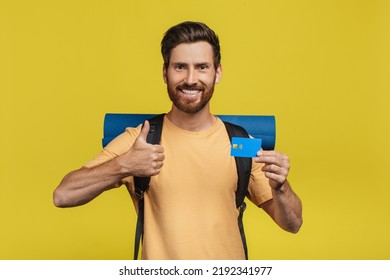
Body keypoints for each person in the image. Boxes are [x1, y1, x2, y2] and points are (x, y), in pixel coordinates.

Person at [53, 21, 303, 260]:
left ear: (217, 72)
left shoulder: (240, 142)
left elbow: (292, 224)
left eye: (202, 67)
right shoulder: (141, 140)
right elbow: (62, 196)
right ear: (165, 73)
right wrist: (125, 165)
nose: (191, 79)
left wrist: (281, 188)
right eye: (180, 67)